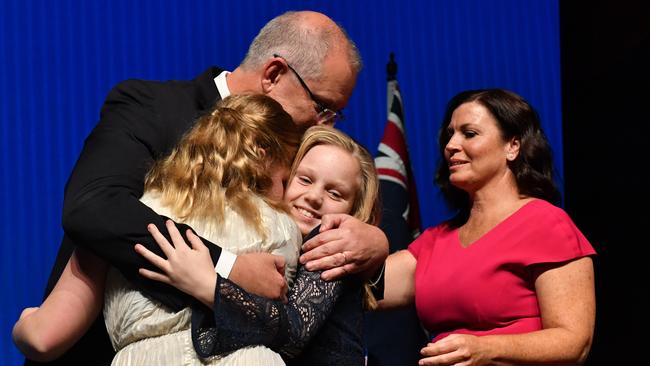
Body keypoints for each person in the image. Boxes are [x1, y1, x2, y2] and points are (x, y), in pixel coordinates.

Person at [30, 10, 389, 365]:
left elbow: (312, 284)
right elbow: (94, 207)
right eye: (323, 106)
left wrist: (374, 252)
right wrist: (228, 267)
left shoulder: (302, 152)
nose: (324, 123)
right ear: (275, 74)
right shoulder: (151, 107)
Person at [13, 94, 304, 364]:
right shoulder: (281, 228)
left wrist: (24, 324)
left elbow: (44, 337)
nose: (286, 195)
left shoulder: (128, 218)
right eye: (285, 181)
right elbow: (290, 330)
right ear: (264, 158)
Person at [377, 89, 596, 365]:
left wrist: (485, 349)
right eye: (450, 134)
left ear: (512, 146)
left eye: (469, 133)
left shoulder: (546, 223)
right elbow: (369, 288)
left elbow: (575, 342)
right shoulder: (436, 240)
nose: (451, 145)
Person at [136, 125, 381, 365]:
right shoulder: (276, 235)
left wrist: (208, 284)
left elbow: (294, 333)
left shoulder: (332, 243)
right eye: (305, 180)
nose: (315, 197)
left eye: (335, 194)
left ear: (354, 210)